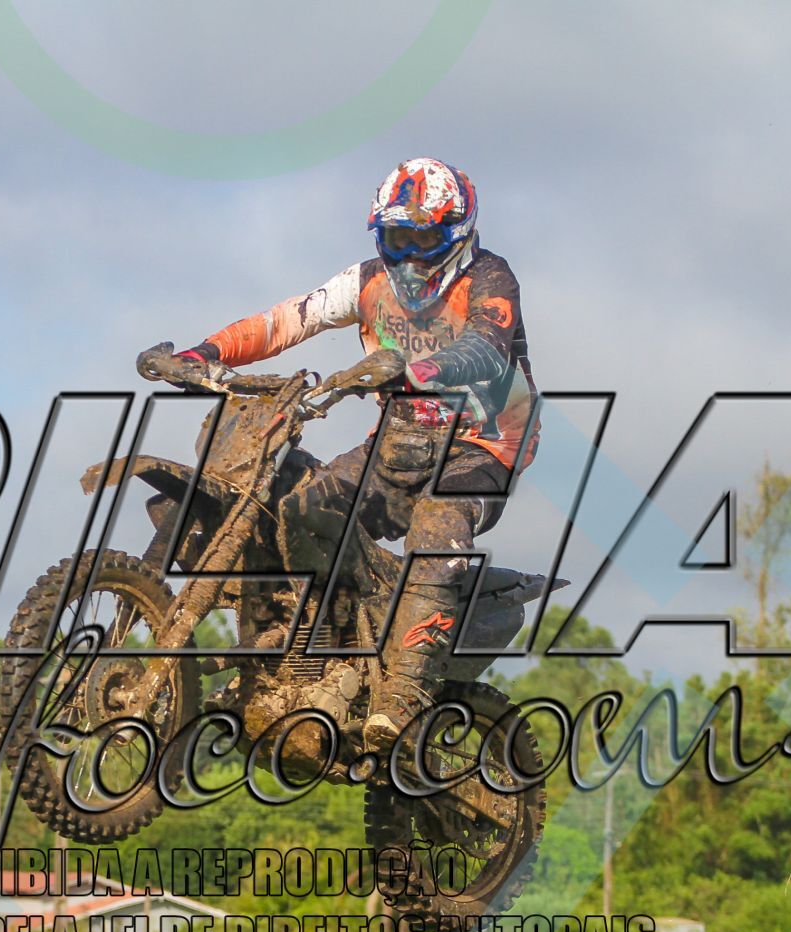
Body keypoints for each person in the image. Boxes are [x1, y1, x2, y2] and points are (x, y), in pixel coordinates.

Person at [168, 157, 537, 749]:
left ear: (458, 233)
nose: (410, 255)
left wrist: (416, 369)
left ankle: (404, 694)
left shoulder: (490, 278)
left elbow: (487, 347)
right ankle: (317, 651)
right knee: (302, 510)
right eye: (397, 238)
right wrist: (204, 353)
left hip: (482, 445)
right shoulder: (366, 281)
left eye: (423, 239)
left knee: (438, 525)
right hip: (398, 441)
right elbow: (287, 320)